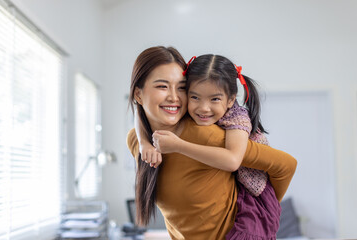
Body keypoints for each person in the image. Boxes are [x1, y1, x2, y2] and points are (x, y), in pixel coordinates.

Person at [126, 46, 297, 240]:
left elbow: (286, 165)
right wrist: (144, 144)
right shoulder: (136, 140)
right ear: (138, 95)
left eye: (181, 87)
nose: (174, 96)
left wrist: (264, 208)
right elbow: (140, 121)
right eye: (162, 86)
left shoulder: (206, 135)